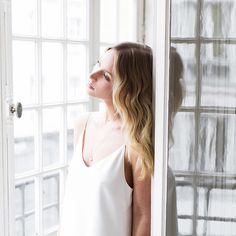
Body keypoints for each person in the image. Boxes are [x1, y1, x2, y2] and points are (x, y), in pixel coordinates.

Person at [59, 42, 154, 236]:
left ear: (126, 88)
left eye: (106, 76)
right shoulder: (82, 124)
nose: (92, 75)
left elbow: (144, 216)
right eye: (97, 63)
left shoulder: (134, 143)